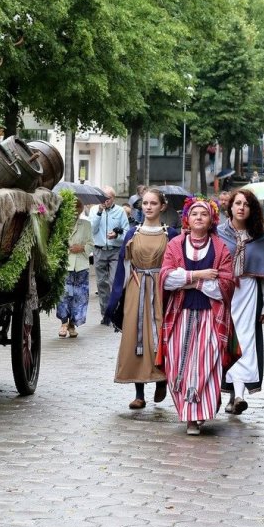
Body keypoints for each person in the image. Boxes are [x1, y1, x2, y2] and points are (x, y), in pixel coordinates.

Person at [158, 197, 234, 435]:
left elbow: (225, 285)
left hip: (210, 316)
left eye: (203, 214)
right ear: (187, 220)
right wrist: (200, 276)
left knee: (206, 362)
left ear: (211, 219)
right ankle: (189, 411)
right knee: (177, 363)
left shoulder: (220, 248)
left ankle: (197, 414)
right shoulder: (175, 245)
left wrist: (189, 281)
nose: (199, 217)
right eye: (194, 214)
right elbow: (167, 279)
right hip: (179, 314)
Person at [106, 189, 178, 410]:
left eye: (153, 203)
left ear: (162, 206)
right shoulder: (132, 233)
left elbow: (177, 263)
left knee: (158, 334)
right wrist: (117, 297)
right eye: (145, 203)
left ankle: (161, 378)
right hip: (136, 289)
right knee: (135, 336)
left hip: (160, 289)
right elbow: (124, 265)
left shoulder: (171, 234)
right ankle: (139, 393)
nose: (148, 207)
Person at [217, 189, 264, 416]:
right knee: (221, 340)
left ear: (252, 209)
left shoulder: (259, 236)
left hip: (248, 293)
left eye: (246, 204)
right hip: (224, 292)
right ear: (231, 207)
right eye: (237, 203)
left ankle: (239, 395)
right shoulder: (219, 233)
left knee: (244, 340)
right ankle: (222, 391)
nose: (241, 207)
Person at [92, 186, 130, 322]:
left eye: (108, 198)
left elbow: (127, 233)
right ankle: (106, 314)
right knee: (102, 284)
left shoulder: (120, 211)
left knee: (115, 282)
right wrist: (99, 213)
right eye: (103, 198)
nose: (105, 201)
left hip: (115, 251)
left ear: (113, 198)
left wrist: (117, 236)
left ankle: (115, 311)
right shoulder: (94, 210)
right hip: (99, 250)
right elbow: (92, 229)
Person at [56, 199, 93, 338]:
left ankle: (72, 324)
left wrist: (82, 247)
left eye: (78, 208)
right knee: (64, 294)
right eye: (73, 208)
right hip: (66, 265)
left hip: (81, 266)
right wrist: (67, 249)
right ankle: (63, 323)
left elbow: (91, 243)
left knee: (79, 296)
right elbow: (56, 243)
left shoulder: (86, 224)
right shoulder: (62, 224)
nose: (76, 211)